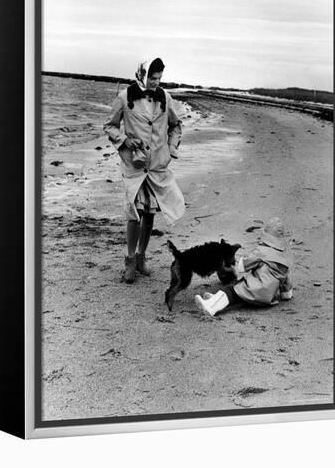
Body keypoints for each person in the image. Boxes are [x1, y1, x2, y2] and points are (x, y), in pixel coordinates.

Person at [103, 58, 185, 283]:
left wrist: (171, 149)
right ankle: (129, 261)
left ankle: (141, 258)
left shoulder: (165, 98)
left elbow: (176, 126)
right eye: (152, 78)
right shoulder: (124, 97)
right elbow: (109, 126)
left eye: (159, 78)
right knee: (134, 214)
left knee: (149, 215)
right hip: (135, 165)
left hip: (158, 165)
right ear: (142, 74)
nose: (156, 83)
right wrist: (124, 141)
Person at [194, 217, 293, 316]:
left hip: (255, 289)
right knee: (240, 297)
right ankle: (215, 298)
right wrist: (286, 294)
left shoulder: (262, 251)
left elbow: (245, 264)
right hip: (268, 297)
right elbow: (286, 282)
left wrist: (236, 267)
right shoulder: (283, 259)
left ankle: (210, 307)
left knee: (232, 292)